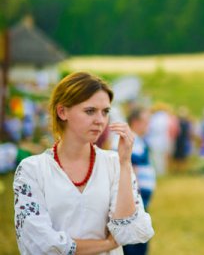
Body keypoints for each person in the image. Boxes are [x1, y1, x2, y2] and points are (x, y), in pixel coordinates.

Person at [13, 71, 154, 254]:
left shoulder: (114, 163)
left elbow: (129, 231)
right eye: (90, 111)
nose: (100, 120)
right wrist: (106, 245)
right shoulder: (32, 170)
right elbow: (40, 244)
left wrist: (125, 161)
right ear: (62, 111)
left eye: (105, 112)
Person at [122, 107, 156, 255]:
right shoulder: (130, 139)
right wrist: (134, 194)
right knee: (134, 242)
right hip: (133, 200)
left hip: (139, 199)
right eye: (146, 121)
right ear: (136, 122)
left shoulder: (138, 139)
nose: (148, 125)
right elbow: (129, 167)